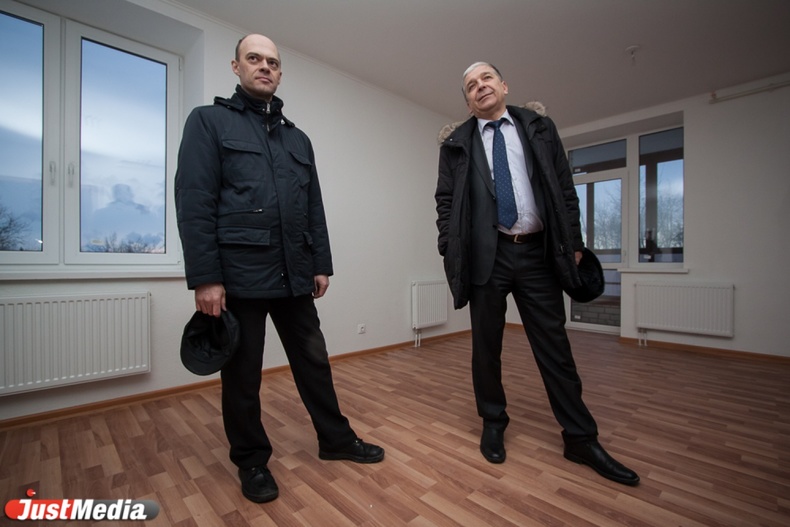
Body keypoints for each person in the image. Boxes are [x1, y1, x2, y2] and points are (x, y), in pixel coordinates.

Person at [175, 34, 384, 504]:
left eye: (272, 61)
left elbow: (313, 207)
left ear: (280, 73)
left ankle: (335, 440)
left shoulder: (297, 138)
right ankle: (251, 461)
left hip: (294, 275)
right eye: (254, 59)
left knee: (315, 363)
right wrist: (206, 277)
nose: (264, 67)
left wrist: (321, 264)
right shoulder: (208, 122)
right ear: (236, 67)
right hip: (239, 277)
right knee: (243, 377)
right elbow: (194, 201)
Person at [434, 62, 639, 486]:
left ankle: (580, 437)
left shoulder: (538, 129)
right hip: (486, 258)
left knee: (555, 349)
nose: (480, 87)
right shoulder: (456, 145)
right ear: (468, 102)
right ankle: (493, 422)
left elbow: (564, 188)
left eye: (486, 79)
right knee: (486, 350)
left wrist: (574, 242)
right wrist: (449, 247)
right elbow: (445, 201)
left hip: (537, 254)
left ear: (504, 85)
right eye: (471, 86)